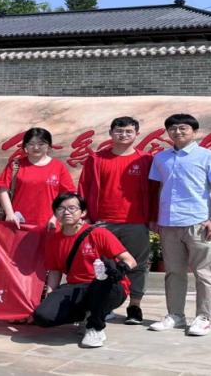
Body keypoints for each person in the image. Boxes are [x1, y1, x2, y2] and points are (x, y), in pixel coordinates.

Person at [148, 113, 211, 337]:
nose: (177, 132)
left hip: (199, 223)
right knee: (174, 272)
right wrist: (155, 217)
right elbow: (158, 189)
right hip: (169, 223)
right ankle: (175, 315)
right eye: (172, 128)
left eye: (183, 128)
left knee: (205, 274)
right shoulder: (160, 158)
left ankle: (204, 317)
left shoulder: (209, 156)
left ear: (194, 131)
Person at [76, 116, 154, 325]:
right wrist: (86, 215)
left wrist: (153, 218)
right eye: (119, 131)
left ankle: (134, 306)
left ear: (137, 134)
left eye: (129, 131)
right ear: (111, 133)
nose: (123, 135)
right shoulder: (96, 159)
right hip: (102, 222)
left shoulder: (146, 160)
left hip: (136, 222)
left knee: (137, 265)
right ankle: (104, 305)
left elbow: (155, 191)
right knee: (101, 266)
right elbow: (84, 187)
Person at [33, 192, 136, 348]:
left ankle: (95, 327)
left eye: (72, 208)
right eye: (61, 208)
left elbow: (130, 260)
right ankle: (87, 315)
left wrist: (120, 270)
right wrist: (50, 297)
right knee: (42, 317)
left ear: (83, 212)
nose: (66, 212)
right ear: (55, 213)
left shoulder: (98, 233)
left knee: (100, 284)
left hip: (106, 287)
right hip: (76, 287)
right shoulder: (54, 240)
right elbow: (55, 271)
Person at [0, 127, 76, 229]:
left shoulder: (58, 167)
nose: (36, 147)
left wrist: (56, 217)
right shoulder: (15, 165)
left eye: (41, 144)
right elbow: (3, 190)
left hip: (49, 224)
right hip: (19, 223)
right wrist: (10, 214)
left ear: (49, 146)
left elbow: (68, 195)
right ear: (25, 146)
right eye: (31, 144)